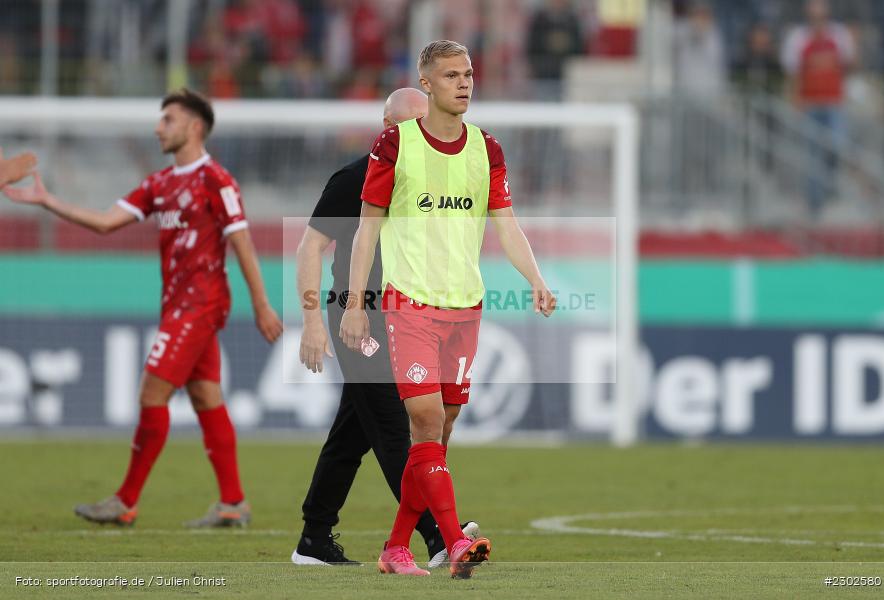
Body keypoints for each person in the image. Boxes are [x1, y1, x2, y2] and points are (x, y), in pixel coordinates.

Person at [1, 88, 283, 527]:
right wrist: (47, 201)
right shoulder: (160, 183)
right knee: (206, 395)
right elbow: (105, 222)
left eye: (167, 119)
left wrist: (262, 305)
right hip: (175, 306)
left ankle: (125, 501)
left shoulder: (217, 181)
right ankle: (233, 503)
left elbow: (242, 242)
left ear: (194, 127)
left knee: (152, 392)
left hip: (201, 305)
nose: (157, 127)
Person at [340, 40, 556, 578]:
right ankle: (456, 542)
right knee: (427, 417)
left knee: (438, 434)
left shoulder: (487, 149)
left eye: (469, 74)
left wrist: (535, 279)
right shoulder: (395, 143)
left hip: (466, 308)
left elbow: (506, 223)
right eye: (452, 75)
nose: (464, 83)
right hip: (409, 304)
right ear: (427, 83)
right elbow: (367, 227)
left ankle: (395, 548)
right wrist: (355, 303)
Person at [292, 87, 479, 567]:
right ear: (389, 127)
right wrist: (313, 321)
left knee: (353, 431)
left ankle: (313, 537)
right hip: (360, 317)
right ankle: (439, 536)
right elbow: (310, 248)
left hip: (410, 315)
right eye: (414, 122)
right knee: (400, 427)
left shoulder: (430, 182)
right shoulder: (352, 178)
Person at [781, 0, 855, 215]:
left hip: (834, 102)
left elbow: (849, 65)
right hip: (811, 103)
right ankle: (815, 204)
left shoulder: (840, 35)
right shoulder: (798, 37)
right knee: (812, 155)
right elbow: (793, 72)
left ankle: (830, 190)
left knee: (836, 147)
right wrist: (795, 98)